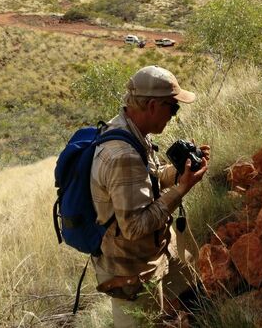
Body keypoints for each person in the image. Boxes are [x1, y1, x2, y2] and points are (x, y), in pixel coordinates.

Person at [90, 65, 210, 327]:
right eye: (173, 107)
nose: (174, 115)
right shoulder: (123, 155)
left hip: (153, 255)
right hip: (131, 274)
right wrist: (181, 190)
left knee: (194, 296)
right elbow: (134, 226)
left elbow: (147, 178)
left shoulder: (128, 130)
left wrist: (180, 173)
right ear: (153, 106)